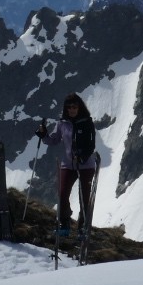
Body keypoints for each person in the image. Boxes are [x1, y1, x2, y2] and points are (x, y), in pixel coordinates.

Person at [37, 92, 100, 237]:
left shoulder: (87, 122)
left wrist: (82, 157)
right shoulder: (62, 123)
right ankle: (64, 223)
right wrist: (44, 134)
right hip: (68, 164)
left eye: (74, 107)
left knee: (84, 197)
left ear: (79, 107)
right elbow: (54, 140)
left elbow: (91, 145)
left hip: (86, 165)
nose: (71, 109)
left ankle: (83, 227)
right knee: (62, 193)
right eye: (69, 107)